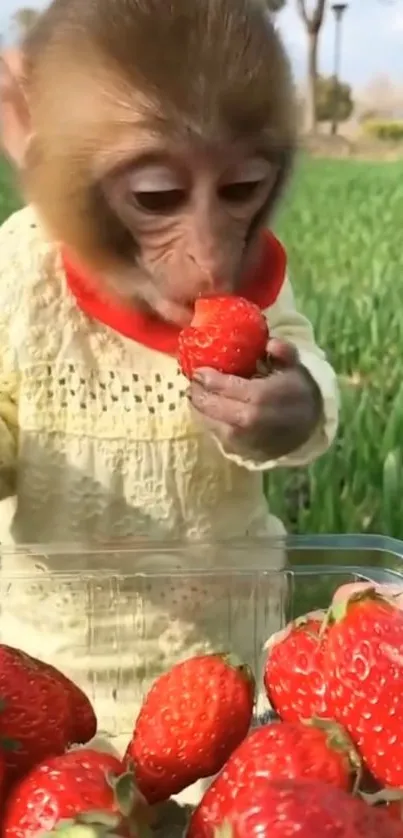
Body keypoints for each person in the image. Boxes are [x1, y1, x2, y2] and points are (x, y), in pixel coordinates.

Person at [0, 0, 338, 780]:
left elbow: (307, 367)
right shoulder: (20, 273)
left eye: (243, 188)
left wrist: (294, 406)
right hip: (50, 681)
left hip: (224, 672)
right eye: (155, 197)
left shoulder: (254, 284)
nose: (213, 259)